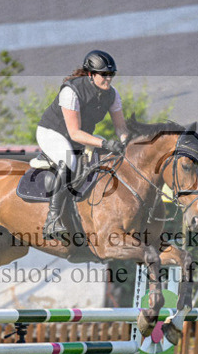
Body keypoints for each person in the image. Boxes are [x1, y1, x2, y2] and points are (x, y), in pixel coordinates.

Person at [36, 49, 129, 239]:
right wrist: (105, 142)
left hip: (80, 135)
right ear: (90, 74)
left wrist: (126, 145)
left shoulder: (113, 95)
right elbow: (75, 133)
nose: (108, 79)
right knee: (68, 160)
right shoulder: (71, 91)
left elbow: (121, 129)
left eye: (111, 74)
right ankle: (52, 219)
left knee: (106, 158)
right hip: (52, 132)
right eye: (104, 75)